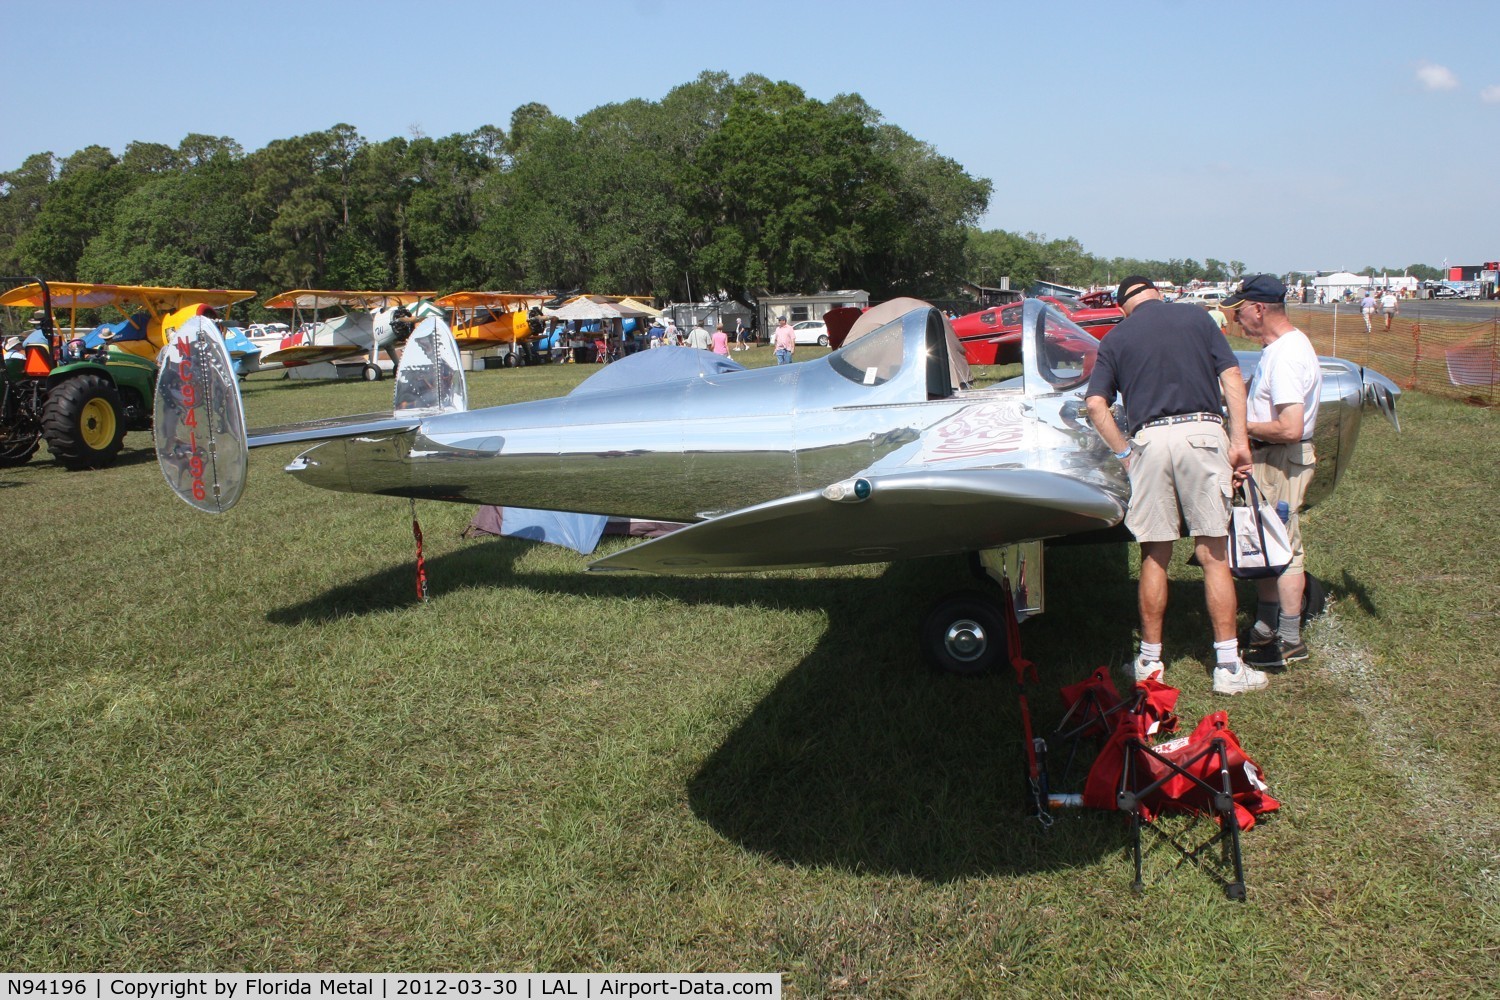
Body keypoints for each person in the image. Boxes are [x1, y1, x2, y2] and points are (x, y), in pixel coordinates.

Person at [1084, 275, 1266, 695]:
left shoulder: (1115, 337)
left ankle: (1150, 662)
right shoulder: (1198, 318)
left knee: (1155, 554)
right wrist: (1239, 442)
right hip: (1202, 433)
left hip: (1149, 440)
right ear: (1157, 293)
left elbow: (1096, 404)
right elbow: (1233, 376)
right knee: (1213, 553)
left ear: (1123, 306)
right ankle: (1227, 666)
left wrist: (1126, 455)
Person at [1223, 275, 1322, 669]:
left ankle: (1290, 639)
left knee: (1284, 548)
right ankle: (1266, 625)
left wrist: (1239, 427)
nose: (1236, 319)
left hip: (1280, 459)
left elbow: (1290, 427)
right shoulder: (1277, 349)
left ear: (1260, 309)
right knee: (1264, 541)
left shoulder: (1286, 355)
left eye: (1240, 309)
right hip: (1269, 459)